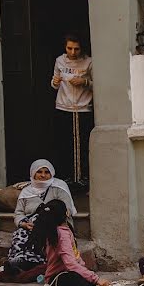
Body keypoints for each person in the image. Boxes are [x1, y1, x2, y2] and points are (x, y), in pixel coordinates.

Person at [2, 160, 77, 278]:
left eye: (46, 172)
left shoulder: (59, 187)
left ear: (51, 173)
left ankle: (31, 261)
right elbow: (19, 213)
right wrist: (23, 223)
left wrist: (48, 218)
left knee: (42, 230)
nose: (43, 175)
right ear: (33, 173)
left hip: (55, 223)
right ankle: (17, 260)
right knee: (20, 233)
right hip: (30, 224)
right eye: (39, 172)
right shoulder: (26, 191)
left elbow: (66, 209)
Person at [50, 33, 93, 186]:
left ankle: (81, 178)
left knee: (81, 145)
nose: (73, 52)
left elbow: (97, 84)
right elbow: (55, 84)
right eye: (69, 48)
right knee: (65, 144)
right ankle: (68, 177)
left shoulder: (88, 62)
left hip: (82, 107)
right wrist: (54, 82)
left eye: (76, 49)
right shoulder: (59, 61)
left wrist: (84, 81)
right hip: (63, 106)